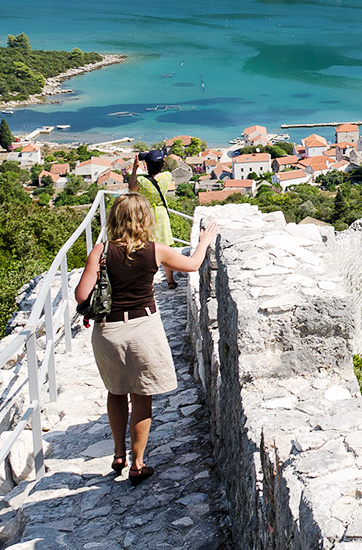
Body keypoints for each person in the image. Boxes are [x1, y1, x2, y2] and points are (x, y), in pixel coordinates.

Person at [75, 193, 216, 485]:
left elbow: (81, 296)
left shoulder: (100, 252)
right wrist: (203, 242)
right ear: (145, 219)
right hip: (143, 328)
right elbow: (192, 265)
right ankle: (137, 464)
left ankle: (117, 453)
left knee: (115, 391)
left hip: (109, 331)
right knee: (142, 396)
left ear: (114, 218)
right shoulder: (156, 251)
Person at [128, 149, 187, 289]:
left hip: (146, 215)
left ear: (147, 165)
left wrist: (135, 168)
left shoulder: (142, 181)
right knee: (164, 248)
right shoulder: (167, 176)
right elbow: (161, 171)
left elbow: (131, 188)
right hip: (161, 213)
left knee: (147, 250)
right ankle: (170, 281)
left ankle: (148, 283)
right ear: (162, 164)